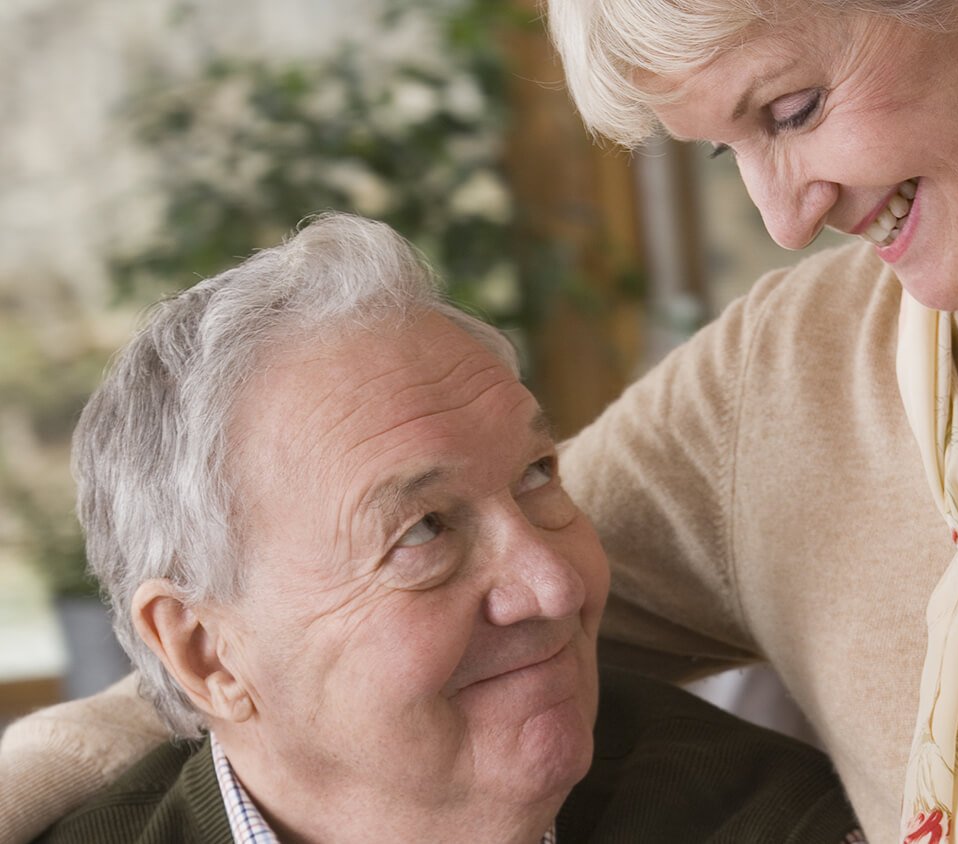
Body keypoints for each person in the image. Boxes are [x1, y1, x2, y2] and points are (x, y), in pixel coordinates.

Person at [4, 0, 958, 840]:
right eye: (722, 150)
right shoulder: (790, 370)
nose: (784, 219)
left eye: (788, 112)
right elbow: (337, 628)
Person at [7, 214, 862, 844]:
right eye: (421, 531)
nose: (555, 584)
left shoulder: (770, 821)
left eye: (537, 475)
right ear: (204, 652)